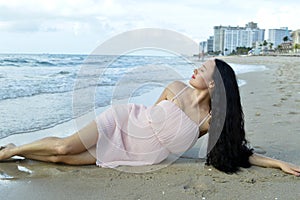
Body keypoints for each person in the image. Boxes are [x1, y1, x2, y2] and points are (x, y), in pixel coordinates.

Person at [0, 59, 299, 176]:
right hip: (121, 123)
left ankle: (19, 152)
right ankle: (12, 150)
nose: (195, 68)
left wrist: (278, 164)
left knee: (61, 159)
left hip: (136, 155)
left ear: (212, 84)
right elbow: (149, 119)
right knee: (65, 148)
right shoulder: (174, 89)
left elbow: (240, 151)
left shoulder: (209, 121)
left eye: (203, 69)